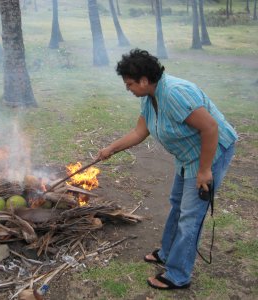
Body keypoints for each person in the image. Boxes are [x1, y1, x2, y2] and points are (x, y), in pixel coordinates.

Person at [97, 49, 237, 290]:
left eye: (129, 83)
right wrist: (111, 149)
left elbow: (211, 128)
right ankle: (167, 252)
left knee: (190, 216)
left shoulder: (174, 93)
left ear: (143, 80)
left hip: (209, 153)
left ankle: (178, 274)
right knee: (177, 202)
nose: (127, 88)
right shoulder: (149, 96)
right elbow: (140, 132)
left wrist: (205, 171)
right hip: (187, 155)